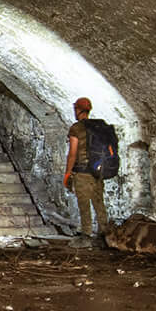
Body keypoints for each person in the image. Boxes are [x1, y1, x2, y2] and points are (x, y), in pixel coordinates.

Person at [63, 96, 119, 242]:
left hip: (82, 172)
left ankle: (86, 235)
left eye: (75, 109)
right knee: (99, 203)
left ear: (78, 110)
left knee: (84, 204)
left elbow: (72, 153)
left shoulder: (76, 128)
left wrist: (68, 173)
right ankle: (104, 235)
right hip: (97, 171)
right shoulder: (98, 126)